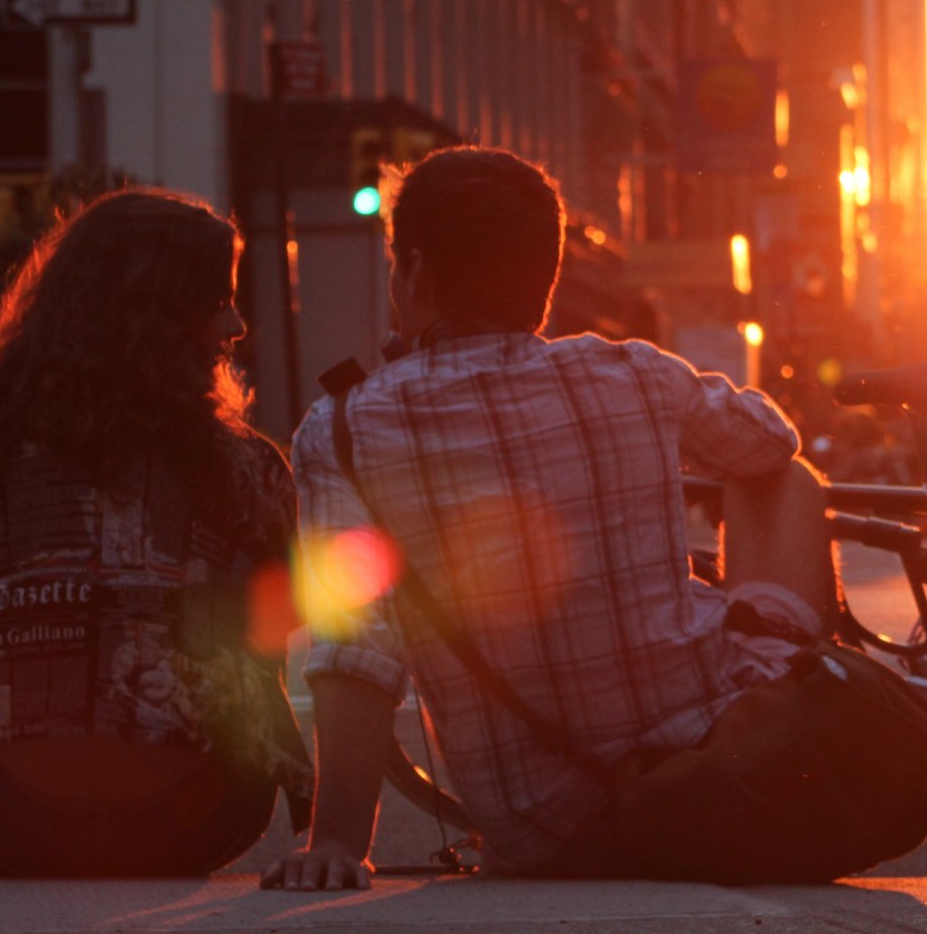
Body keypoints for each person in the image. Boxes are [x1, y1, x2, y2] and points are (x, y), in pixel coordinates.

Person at [262, 147, 859, 889]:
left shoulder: (343, 429)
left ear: (410, 270)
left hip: (537, 824)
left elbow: (355, 643)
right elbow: (770, 444)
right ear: (545, 283)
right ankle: (803, 707)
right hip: (722, 761)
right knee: (788, 479)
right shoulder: (634, 370)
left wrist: (339, 841)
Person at [0, 189, 314, 877]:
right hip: (199, 813)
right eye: (216, 301)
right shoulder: (248, 466)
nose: (236, 326)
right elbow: (281, 625)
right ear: (159, 318)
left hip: (1, 814)